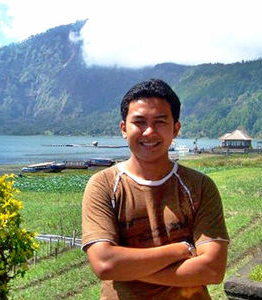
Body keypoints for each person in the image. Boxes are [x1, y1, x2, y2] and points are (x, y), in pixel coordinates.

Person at [81, 79, 229, 299]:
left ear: (175, 128)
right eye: (139, 122)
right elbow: (105, 263)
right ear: (124, 128)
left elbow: (212, 269)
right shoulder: (103, 185)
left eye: (160, 122)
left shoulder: (199, 186)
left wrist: (128, 268)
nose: (149, 131)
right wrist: (180, 250)